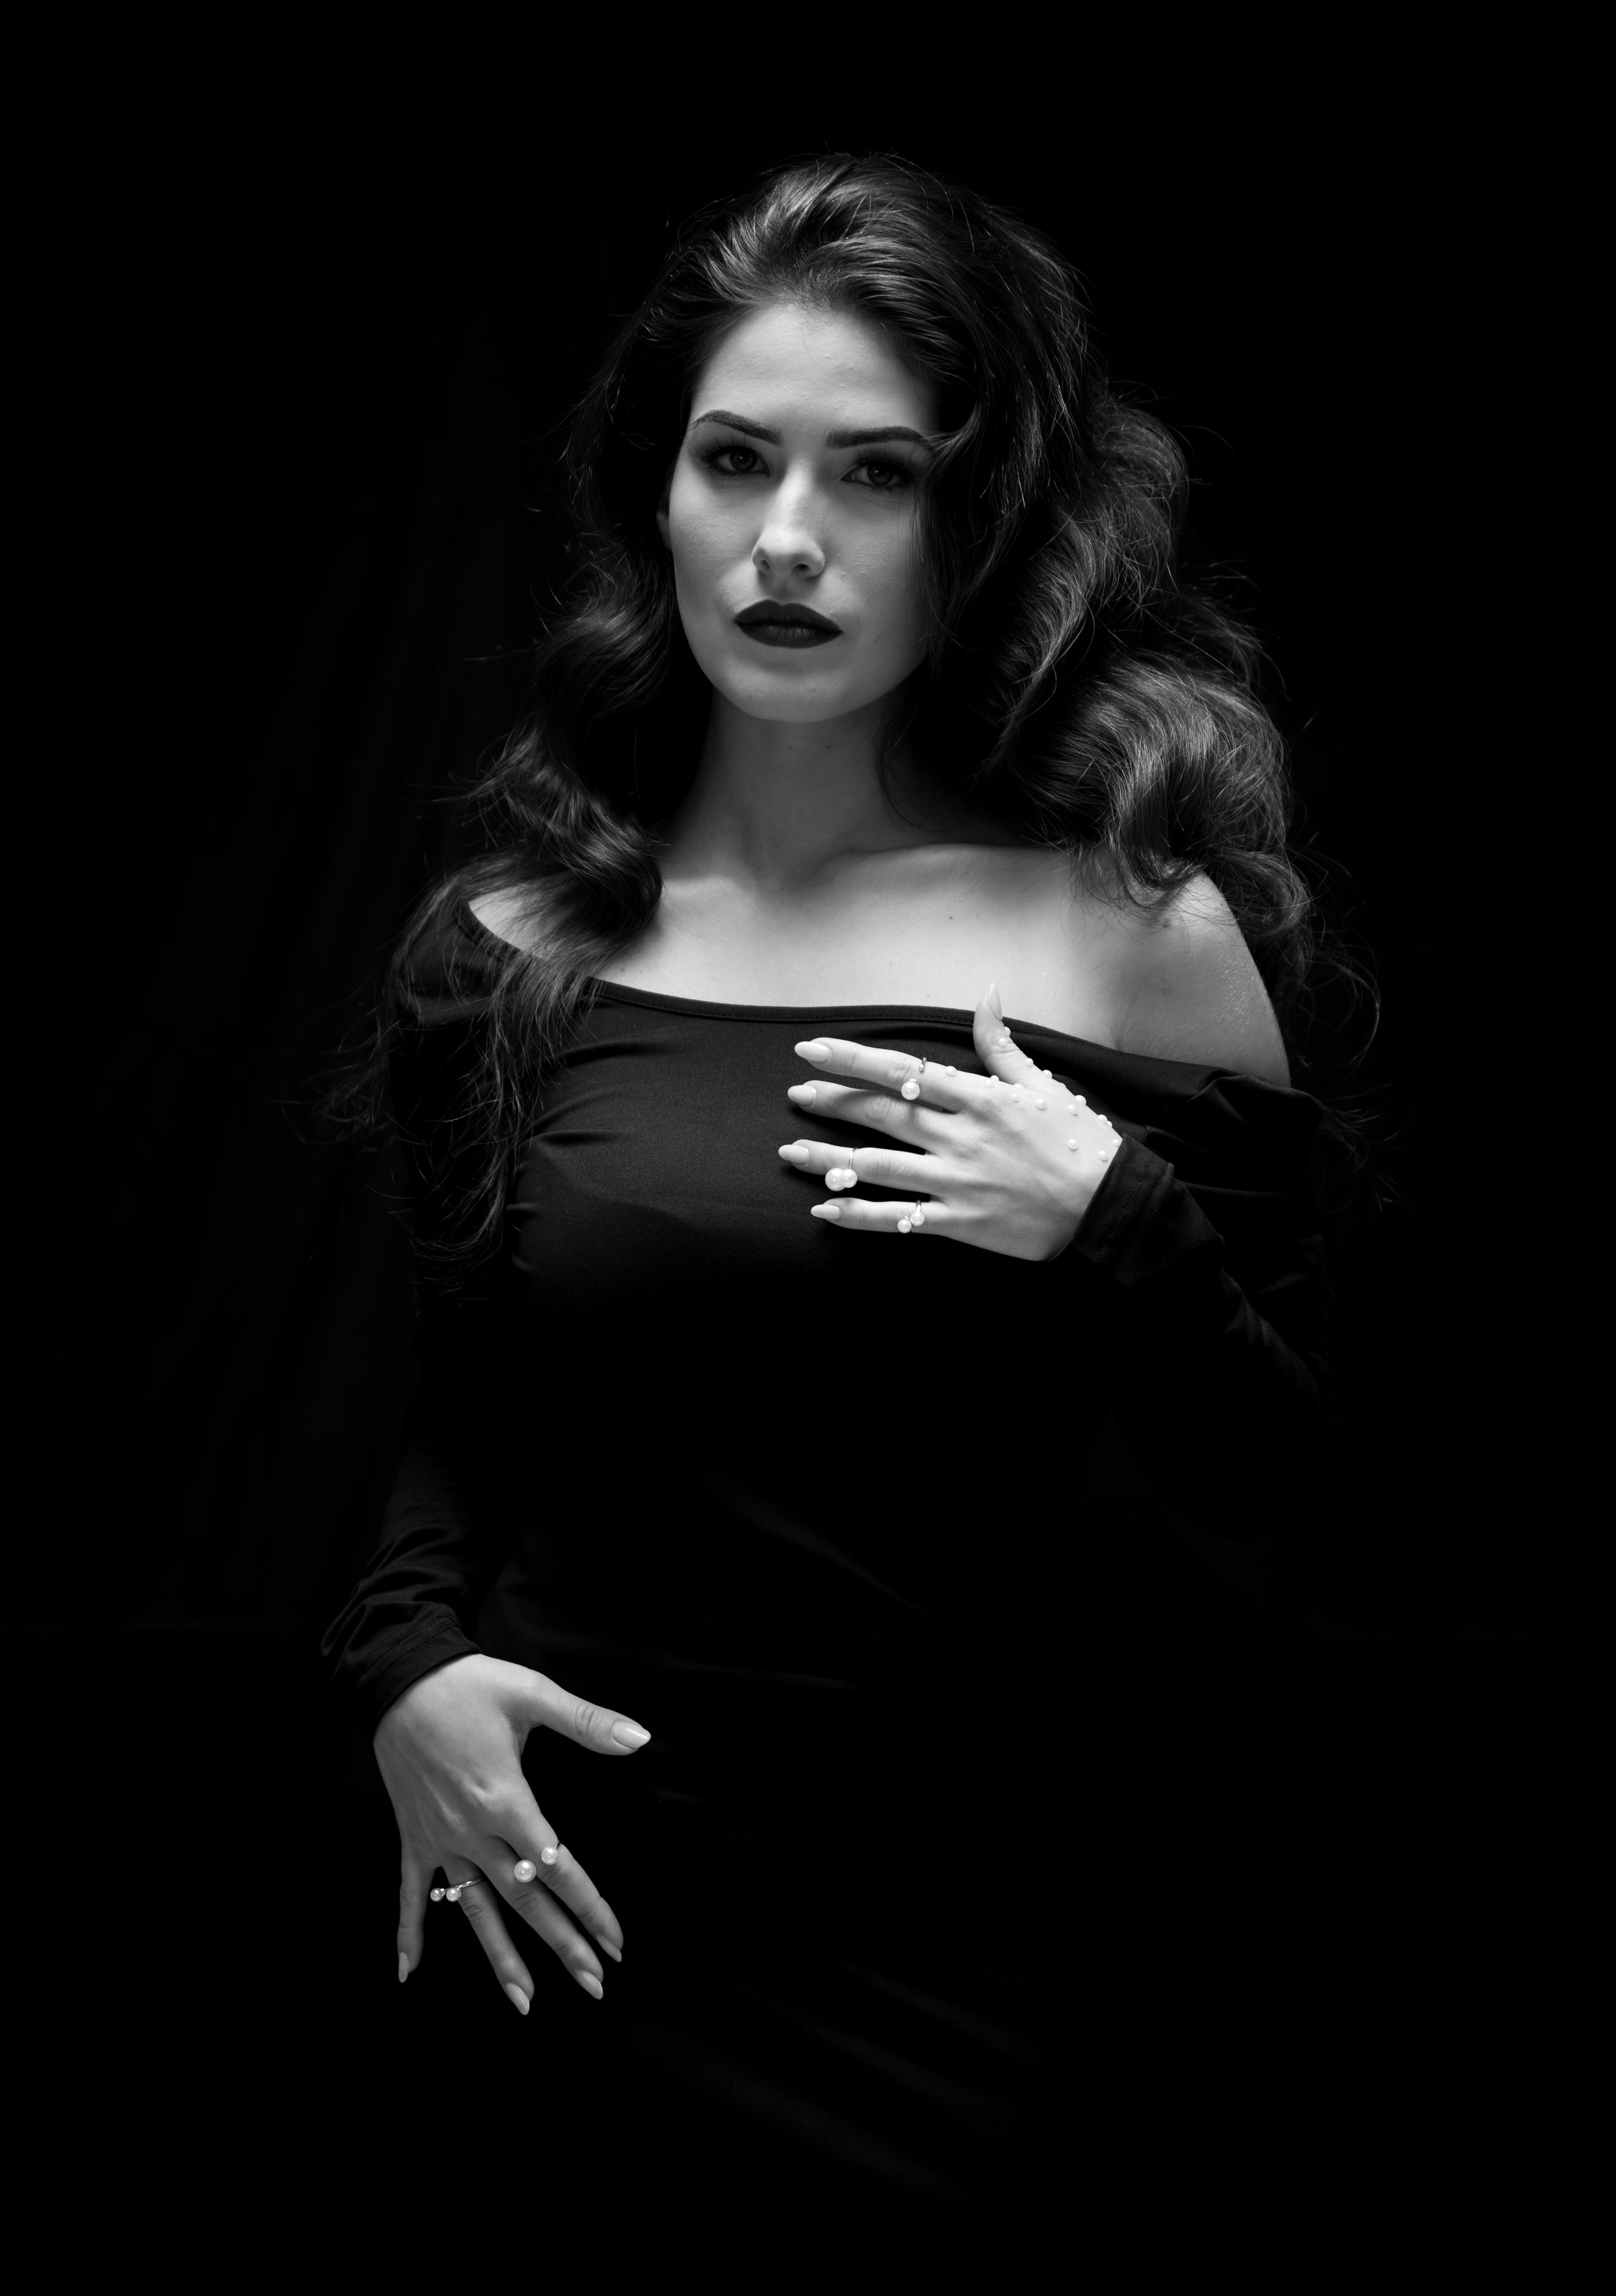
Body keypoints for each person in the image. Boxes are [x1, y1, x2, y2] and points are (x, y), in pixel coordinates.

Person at [322, 153, 1337, 2222]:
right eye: (735, 459)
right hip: (553, 1907)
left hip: (943, 1935)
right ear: (658, 495)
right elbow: (473, 1398)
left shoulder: (1132, 938)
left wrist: (1110, 1218)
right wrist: (403, 1665)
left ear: (984, 521)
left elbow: (1262, 1469)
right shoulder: (512, 944)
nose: (786, 538)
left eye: (875, 474)